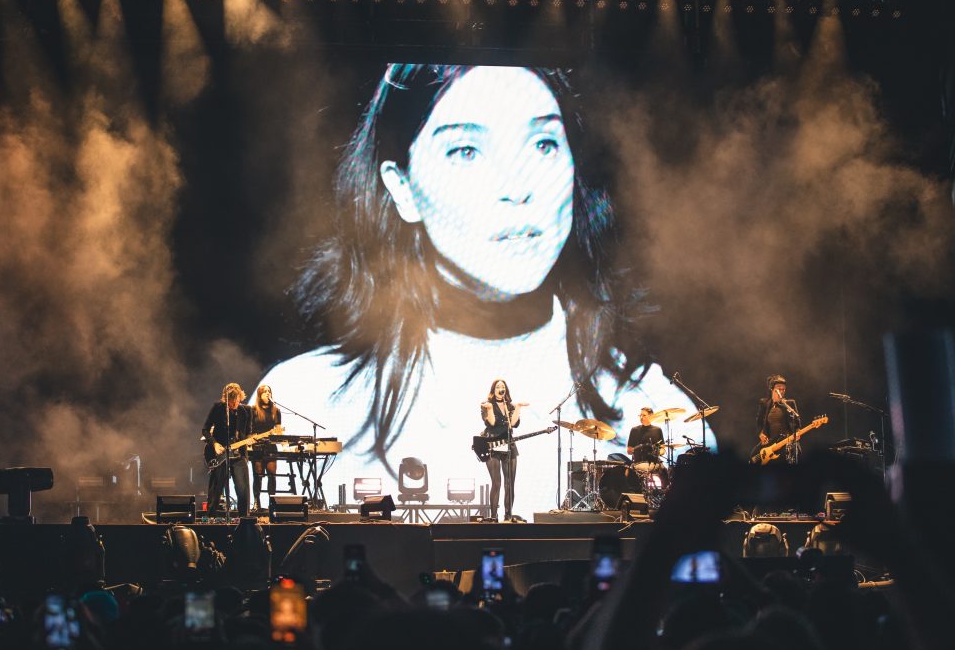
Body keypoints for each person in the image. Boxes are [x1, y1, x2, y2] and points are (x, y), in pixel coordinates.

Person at [257, 64, 716, 512]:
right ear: (402, 188)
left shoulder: (652, 405)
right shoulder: (307, 399)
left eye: (543, 144)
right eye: (466, 151)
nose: (517, 188)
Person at [201, 383, 252, 515]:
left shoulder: (246, 411)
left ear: (240, 397)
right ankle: (211, 516)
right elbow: (205, 430)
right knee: (216, 487)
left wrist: (250, 440)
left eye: (236, 400)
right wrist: (215, 444)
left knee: (243, 488)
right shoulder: (218, 408)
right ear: (226, 399)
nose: (234, 404)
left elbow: (247, 433)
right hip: (220, 453)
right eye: (231, 401)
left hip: (238, 453)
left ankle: (245, 519)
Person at [480, 379, 527, 521]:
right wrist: (489, 410)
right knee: (497, 482)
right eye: (498, 386)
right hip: (493, 445)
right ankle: (494, 517)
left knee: (510, 482)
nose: (501, 388)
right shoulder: (487, 405)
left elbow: (513, 424)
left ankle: (508, 515)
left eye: (503, 386)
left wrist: (518, 407)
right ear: (493, 390)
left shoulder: (510, 407)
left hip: (509, 445)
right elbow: (492, 423)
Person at [249, 384, 283, 510]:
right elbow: (250, 429)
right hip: (257, 446)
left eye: (269, 391)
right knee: (258, 476)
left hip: (271, 447)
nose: (267, 393)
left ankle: (272, 502)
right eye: (264, 391)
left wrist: (279, 434)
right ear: (259, 394)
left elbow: (279, 429)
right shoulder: (253, 410)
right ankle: (257, 502)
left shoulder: (276, 410)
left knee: (272, 475)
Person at [754, 375, 801, 465]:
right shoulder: (764, 403)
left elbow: (797, 423)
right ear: (772, 389)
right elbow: (759, 421)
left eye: (784, 389)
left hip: (786, 445)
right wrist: (760, 433)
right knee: (753, 457)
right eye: (779, 388)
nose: (782, 391)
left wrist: (797, 432)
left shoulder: (790, 403)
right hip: (770, 446)